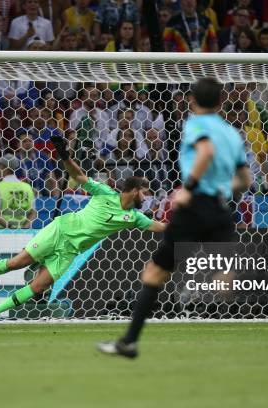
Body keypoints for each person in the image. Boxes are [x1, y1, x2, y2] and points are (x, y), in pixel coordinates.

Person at [98, 77, 252, 358]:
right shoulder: (232, 133)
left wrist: (189, 189)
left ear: (192, 100)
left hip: (193, 207)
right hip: (220, 210)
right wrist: (220, 188)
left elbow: (206, 151)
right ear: (221, 102)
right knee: (224, 281)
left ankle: (129, 342)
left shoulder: (195, 124)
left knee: (154, 273)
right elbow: (245, 179)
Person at [0, 136, 166, 329]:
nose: (146, 198)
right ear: (134, 190)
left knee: (39, 286)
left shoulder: (136, 217)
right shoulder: (105, 192)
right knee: (17, 263)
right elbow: (79, 175)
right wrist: (64, 156)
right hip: (60, 230)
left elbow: (161, 228)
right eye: (145, 193)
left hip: (70, 250)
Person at [0, 157, 37, 229]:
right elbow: (33, 213)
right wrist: (24, 229)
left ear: (4, 167)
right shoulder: (27, 187)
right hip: (21, 232)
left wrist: (10, 228)